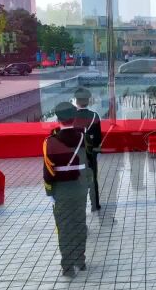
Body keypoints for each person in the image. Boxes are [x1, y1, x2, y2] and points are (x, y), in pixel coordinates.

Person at [43, 102, 89, 276]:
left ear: (58, 118)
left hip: (61, 191)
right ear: (74, 118)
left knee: (64, 227)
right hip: (79, 189)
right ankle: (81, 260)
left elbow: (48, 172)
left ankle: (68, 266)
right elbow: (88, 164)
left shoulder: (50, 142)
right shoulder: (83, 138)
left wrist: (49, 192)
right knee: (79, 224)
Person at [73, 87, 102, 211]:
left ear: (76, 101)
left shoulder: (72, 116)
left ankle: (79, 205)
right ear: (88, 101)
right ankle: (95, 205)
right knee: (92, 179)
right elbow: (98, 138)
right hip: (90, 153)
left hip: (76, 154)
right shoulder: (94, 116)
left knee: (77, 180)